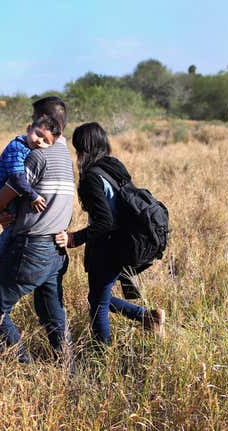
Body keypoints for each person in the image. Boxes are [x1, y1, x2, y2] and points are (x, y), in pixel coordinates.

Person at [0, 97, 74, 364]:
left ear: (45, 123)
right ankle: (69, 371)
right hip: (57, 248)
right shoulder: (65, 155)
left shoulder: (36, 155)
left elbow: (1, 199)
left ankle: (26, 370)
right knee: (51, 313)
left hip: (32, 247)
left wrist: (2, 209)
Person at [55, 122, 165, 345]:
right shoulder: (113, 166)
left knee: (98, 305)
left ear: (82, 148)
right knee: (99, 298)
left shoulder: (91, 178)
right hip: (125, 242)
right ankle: (147, 316)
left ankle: (102, 355)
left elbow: (105, 221)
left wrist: (75, 238)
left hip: (108, 247)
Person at [0, 114, 62, 279]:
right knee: (12, 228)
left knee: (15, 227)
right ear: (28, 128)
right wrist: (33, 196)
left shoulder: (31, 149)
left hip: (17, 193)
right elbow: (17, 177)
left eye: (46, 141)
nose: (40, 141)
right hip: (8, 192)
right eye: (38, 134)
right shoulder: (17, 147)